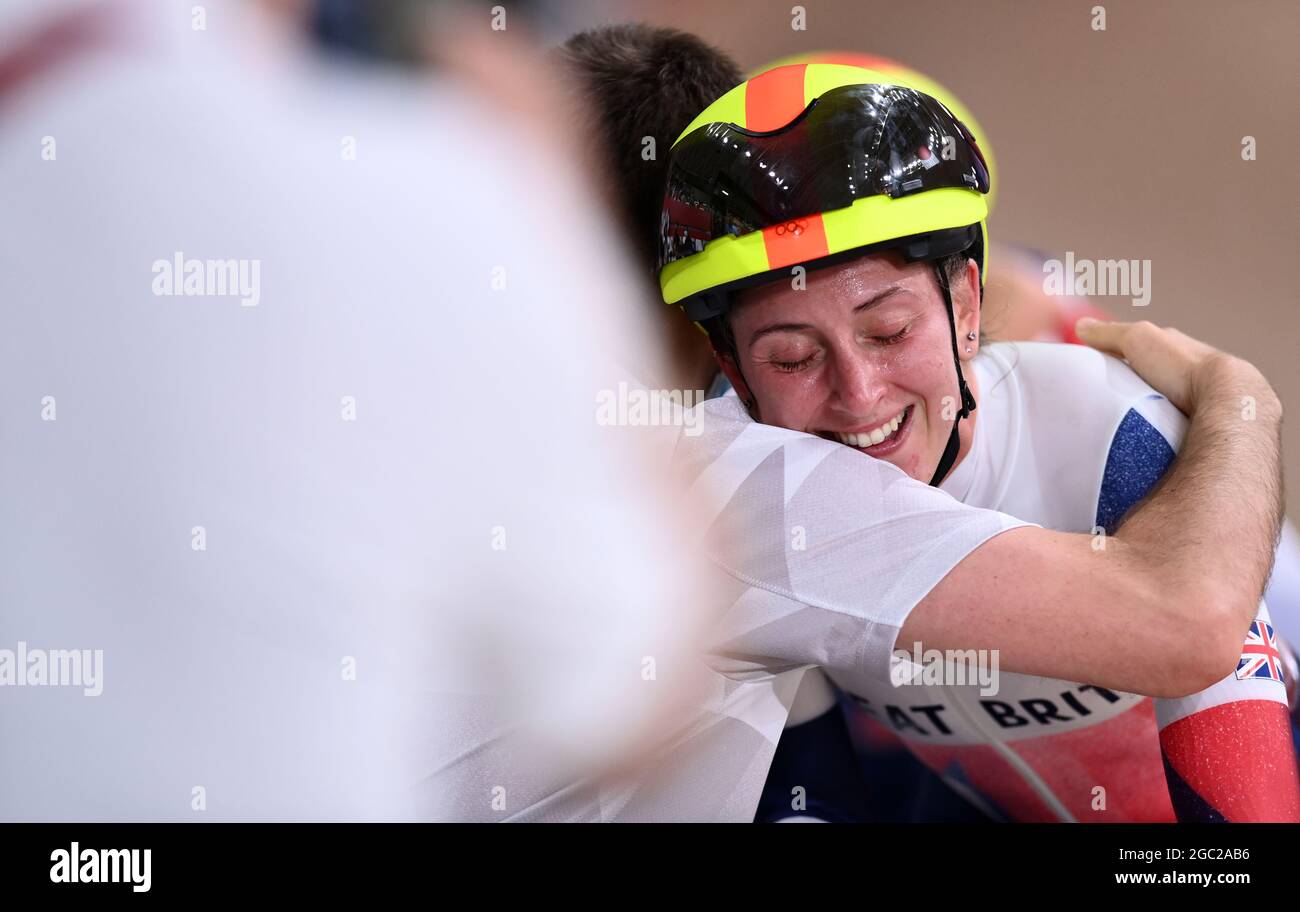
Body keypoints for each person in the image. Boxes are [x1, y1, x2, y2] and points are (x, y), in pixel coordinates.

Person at [656, 61, 1297, 821]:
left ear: (966, 304)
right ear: (733, 371)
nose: (859, 394)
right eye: (792, 357)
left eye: (889, 331)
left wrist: (1239, 399)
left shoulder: (1103, 432)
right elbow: (814, 795)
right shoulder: (755, 507)